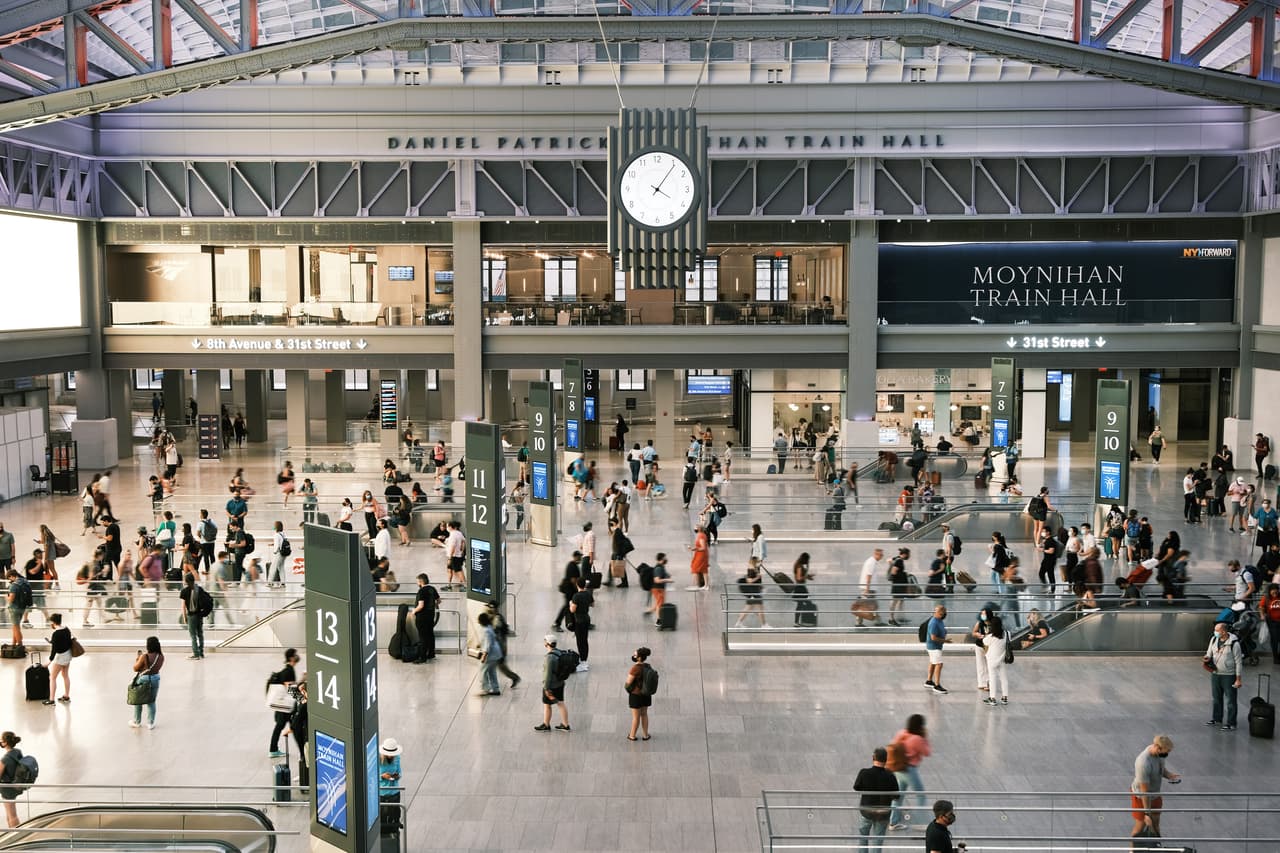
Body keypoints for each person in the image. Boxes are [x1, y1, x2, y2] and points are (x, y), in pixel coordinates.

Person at [1131, 735, 1180, 840]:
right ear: (1158, 748)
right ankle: (1133, 847)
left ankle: (1157, 845)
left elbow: (1161, 767)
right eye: (1167, 751)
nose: (1167, 754)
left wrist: (1168, 775)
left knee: (1155, 824)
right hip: (1141, 797)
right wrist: (1146, 813)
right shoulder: (1143, 763)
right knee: (1139, 828)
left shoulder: (1158, 754)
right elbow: (1144, 791)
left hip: (1155, 793)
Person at [888, 714, 932, 830]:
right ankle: (920, 823)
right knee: (921, 795)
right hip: (909, 770)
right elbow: (927, 752)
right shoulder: (917, 739)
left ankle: (893, 822)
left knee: (898, 795)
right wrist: (925, 737)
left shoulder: (901, 733)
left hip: (898, 768)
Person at [853, 746, 899, 852]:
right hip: (883, 812)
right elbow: (896, 796)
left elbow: (856, 787)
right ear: (886, 760)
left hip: (867, 811)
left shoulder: (864, 773)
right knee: (878, 840)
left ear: (873, 758)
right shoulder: (890, 776)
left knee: (863, 835)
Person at [1203, 620, 1244, 731]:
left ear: (1224, 632)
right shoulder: (1214, 639)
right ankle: (1217, 719)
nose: (1215, 632)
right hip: (1216, 673)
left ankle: (1231, 723)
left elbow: (1238, 662)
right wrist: (1207, 658)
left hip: (1229, 675)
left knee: (1231, 700)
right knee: (1216, 698)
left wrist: (1238, 679)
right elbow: (1209, 653)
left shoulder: (1234, 644)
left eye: (1217, 630)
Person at [267, 648, 301, 756]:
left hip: (282, 705)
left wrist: (302, 680)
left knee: (283, 727)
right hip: (285, 707)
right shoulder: (288, 671)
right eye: (295, 655)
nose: (297, 656)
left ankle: (273, 750)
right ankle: (302, 753)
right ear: (291, 658)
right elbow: (290, 688)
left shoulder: (287, 670)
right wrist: (300, 698)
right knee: (295, 728)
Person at [534, 635, 571, 732]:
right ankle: (565, 724)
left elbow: (547, 675)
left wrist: (546, 688)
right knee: (560, 703)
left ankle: (546, 724)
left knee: (547, 704)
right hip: (560, 683)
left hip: (551, 685)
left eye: (544, 641)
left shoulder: (549, 658)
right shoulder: (559, 652)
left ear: (547, 644)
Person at [130, 636, 165, 729]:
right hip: (156, 679)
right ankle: (150, 723)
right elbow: (155, 668)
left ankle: (137, 721)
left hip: (143, 679)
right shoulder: (161, 656)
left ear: (148, 646)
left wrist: (138, 659)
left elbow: (135, 668)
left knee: (138, 701)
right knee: (151, 701)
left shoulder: (144, 656)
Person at [485, 600, 520, 687]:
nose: (488, 609)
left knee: (499, 666)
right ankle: (514, 677)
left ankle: (514, 677)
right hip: (499, 646)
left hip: (499, 647)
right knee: (500, 666)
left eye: (489, 607)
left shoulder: (497, 619)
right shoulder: (494, 617)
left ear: (494, 608)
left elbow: (496, 633)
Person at [624, 646, 655, 741]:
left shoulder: (635, 668)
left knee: (636, 717)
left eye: (635, 655)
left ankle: (632, 735)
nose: (633, 656)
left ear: (639, 658)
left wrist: (629, 690)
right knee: (644, 714)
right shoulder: (648, 666)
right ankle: (646, 735)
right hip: (646, 694)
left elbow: (628, 683)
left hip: (636, 695)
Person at [44, 612, 73, 705]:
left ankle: (51, 700)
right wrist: (53, 642)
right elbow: (67, 642)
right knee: (65, 675)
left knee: (52, 677)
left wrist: (49, 662)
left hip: (60, 658)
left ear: (53, 622)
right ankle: (66, 696)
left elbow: (54, 650)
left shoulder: (56, 634)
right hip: (68, 655)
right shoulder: (66, 629)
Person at [0, 732, 28, 828]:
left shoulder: (5, 759)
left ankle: (15, 833)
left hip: (7, 789)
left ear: (5, 743)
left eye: (1, 740)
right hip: (14, 784)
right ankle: (12, 832)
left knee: (12, 815)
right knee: (10, 814)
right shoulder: (17, 752)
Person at [981, 614, 1010, 706]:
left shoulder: (991, 636)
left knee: (992, 678)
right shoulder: (1007, 633)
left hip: (991, 660)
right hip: (1002, 659)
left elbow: (984, 642)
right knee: (1003, 678)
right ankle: (1005, 697)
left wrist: (987, 633)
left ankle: (992, 698)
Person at [378, 739, 403, 836]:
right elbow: (372, 775)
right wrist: (382, 776)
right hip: (382, 792)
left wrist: (397, 776)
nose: (391, 756)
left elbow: (399, 772)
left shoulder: (397, 758)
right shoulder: (378, 759)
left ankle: (395, 833)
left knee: (395, 814)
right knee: (383, 817)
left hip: (394, 791)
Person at [411, 574, 439, 663]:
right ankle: (431, 653)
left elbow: (421, 606)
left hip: (422, 617)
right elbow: (439, 600)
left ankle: (422, 657)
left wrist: (414, 611)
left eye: (417, 581)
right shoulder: (432, 589)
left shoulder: (421, 591)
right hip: (431, 615)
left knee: (422, 637)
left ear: (420, 581)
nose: (417, 583)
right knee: (430, 634)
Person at [924, 605, 951, 694]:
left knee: (933, 662)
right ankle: (937, 685)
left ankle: (929, 681)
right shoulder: (934, 623)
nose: (944, 615)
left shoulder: (939, 620)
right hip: (934, 647)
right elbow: (933, 637)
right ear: (938, 612)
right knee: (939, 664)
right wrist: (945, 641)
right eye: (942, 613)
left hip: (936, 646)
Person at [734, 559, 767, 628]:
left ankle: (738, 623)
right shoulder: (751, 570)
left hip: (754, 592)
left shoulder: (754, 569)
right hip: (754, 593)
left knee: (748, 608)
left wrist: (760, 585)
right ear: (755, 562)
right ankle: (764, 625)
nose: (760, 563)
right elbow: (750, 581)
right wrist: (758, 577)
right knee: (760, 609)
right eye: (759, 562)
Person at [569, 577, 593, 672]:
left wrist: (571, 604)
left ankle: (583, 662)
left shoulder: (576, 596)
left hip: (579, 621)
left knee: (580, 641)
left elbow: (572, 610)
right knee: (585, 640)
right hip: (586, 619)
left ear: (577, 585)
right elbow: (592, 604)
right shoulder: (588, 594)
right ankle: (584, 659)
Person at [179, 573, 206, 660]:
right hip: (199, 614)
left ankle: (195, 654)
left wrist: (184, 617)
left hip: (191, 615)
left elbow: (183, 606)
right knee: (200, 633)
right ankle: (201, 652)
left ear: (186, 581)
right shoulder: (199, 589)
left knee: (193, 635)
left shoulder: (184, 591)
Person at [476, 611, 504, 696]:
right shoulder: (489, 627)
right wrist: (480, 644)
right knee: (492, 672)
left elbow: (488, 644)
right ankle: (495, 689)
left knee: (483, 672)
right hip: (496, 653)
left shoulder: (486, 630)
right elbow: (488, 640)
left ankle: (485, 689)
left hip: (490, 655)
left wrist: (484, 656)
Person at [5, 568, 30, 648]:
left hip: (14, 609)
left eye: (9, 578)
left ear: (11, 576)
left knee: (16, 628)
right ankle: (13, 644)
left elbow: (11, 599)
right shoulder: (24, 581)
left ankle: (20, 645)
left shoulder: (14, 585)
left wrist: (6, 597)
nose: (10, 580)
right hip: (22, 607)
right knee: (15, 626)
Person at [687, 524, 710, 590]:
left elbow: (703, 547)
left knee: (695, 568)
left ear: (699, 529)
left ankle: (696, 585)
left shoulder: (701, 536)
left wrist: (694, 549)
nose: (694, 529)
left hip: (701, 555)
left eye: (695, 527)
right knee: (704, 570)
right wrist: (694, 548)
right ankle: (706, 585)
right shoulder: (702, 535)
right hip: (701, 554)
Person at [444, 521, 465, 591]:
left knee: (458, 571)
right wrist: (461, 550)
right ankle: (449, 585)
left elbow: (452, 547)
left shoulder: (453, 535)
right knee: (449, 570)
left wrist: (450, 558)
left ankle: (465, 585)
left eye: (447, 526)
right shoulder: (459, 533)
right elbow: (463, 541)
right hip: (458, 555)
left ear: (450, 527)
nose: (446, 528)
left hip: (454, 556)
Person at [1261, 584, 1280, 664]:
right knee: (1275, 639)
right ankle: (1275, 657)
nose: (1275, 592)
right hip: (1272, 622)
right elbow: (1261, 607)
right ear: (1269, 591)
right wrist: (1262, 615)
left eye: (1276, 590)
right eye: (1273, 591)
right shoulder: (1266, 598)